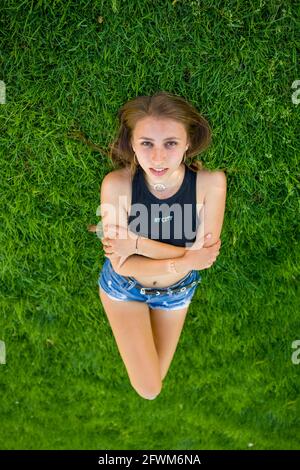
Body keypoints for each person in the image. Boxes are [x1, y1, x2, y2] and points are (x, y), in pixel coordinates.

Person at [88, 91, 227, 400]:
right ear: (132, 144)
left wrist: (137, 242)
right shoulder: (117, 185)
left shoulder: (211, 183)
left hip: (177, 293)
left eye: (171, 143)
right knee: (149, 389)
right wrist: (186, 259)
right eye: (146, 144)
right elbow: (124, 264)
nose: (159, 158)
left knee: (153, 383)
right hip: (124, 289)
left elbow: (204, 259)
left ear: (188, 142)